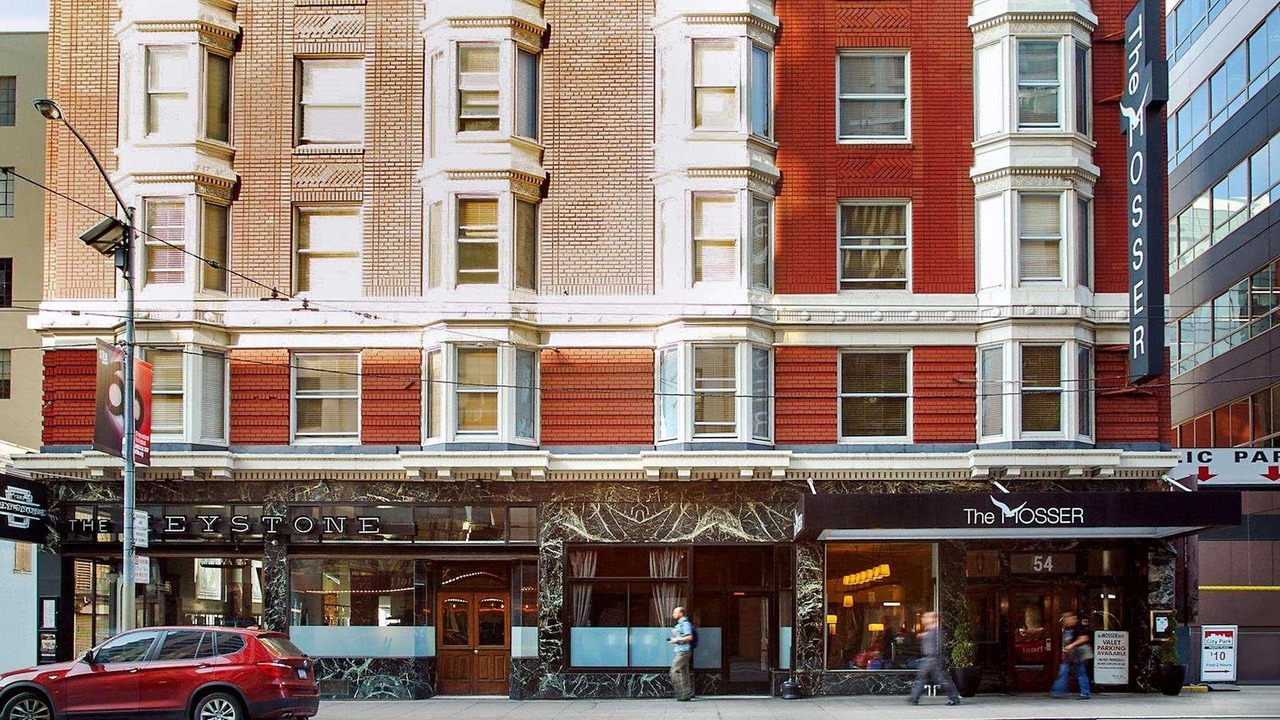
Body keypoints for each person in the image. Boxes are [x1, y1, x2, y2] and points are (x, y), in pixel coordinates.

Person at [908, 610, 961, 706]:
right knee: (922, 678)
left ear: (933, 619)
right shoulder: (930, 629)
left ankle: (954, 698)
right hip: (929, 658)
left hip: (934, 658)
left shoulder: (936, 630)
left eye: (926, 617)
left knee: (942, 680)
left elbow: (937, 645)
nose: (923, 619)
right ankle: (914, 698)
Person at [1051, 610, 1092, 699]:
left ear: (1074, 618)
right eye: (1065, 618)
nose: (1066, 620)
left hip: (1077, 655)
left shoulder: (1078, 628)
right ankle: (1058, 691)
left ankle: (1085, 693)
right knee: (1064, 673)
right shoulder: (1066, 628)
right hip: (1069, 655)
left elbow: (1084, 638)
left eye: (1067, 618)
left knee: (1079, 673)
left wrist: (1071, 645)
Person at [667, 605, 695, 701]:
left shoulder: (685, 624)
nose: (673, 614)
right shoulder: (680, 624)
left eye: (675, 612)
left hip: (683, 652)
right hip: (683, 650)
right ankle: (686, 694)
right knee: (684, 672)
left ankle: (680, 693)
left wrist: (677, 640)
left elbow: (689, 637)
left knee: (674, 671)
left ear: (681, 613)